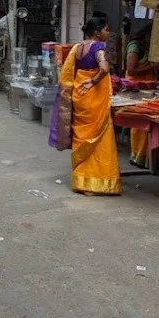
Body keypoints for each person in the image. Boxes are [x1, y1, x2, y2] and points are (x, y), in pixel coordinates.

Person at [50, 16, 121, 195]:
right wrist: (93, 81)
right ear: (97, 33)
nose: (108, 33)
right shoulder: (98, 47)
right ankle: (99, 183)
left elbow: (69, 74)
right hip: (94, 98)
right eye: (105, 30)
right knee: (100, 139)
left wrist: (86, 82)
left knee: (82, 136)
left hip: (80, 97)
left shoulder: (78, 48)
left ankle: (81, 181)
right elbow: (104, 68)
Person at [123, 18, 156, 168]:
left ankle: (145, 157)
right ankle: (138, 156)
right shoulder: (135, 46)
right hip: (136, 87)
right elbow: (131, 69)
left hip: (146, 88)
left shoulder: (145, 46)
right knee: (139, 125)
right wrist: (150, 67)